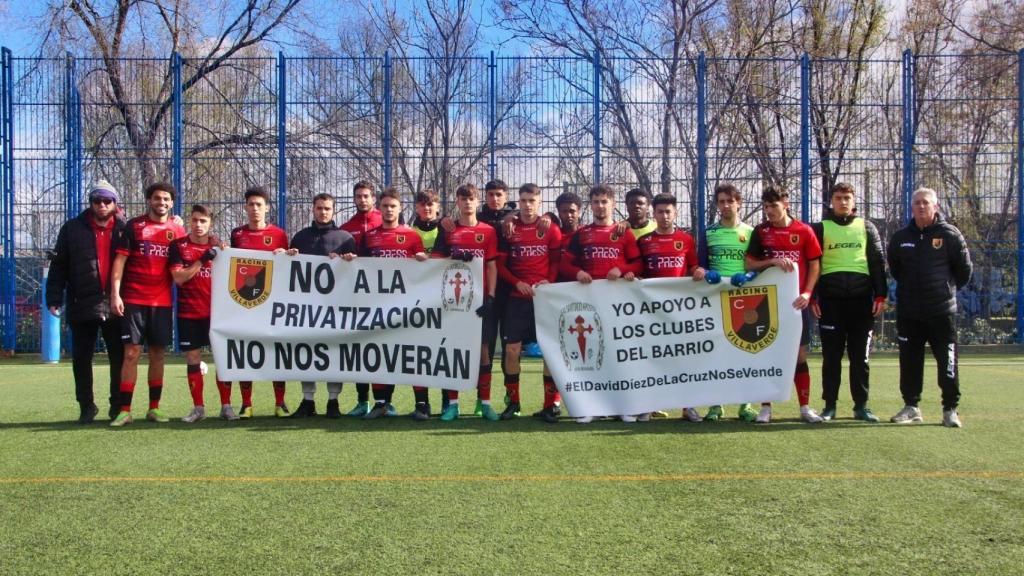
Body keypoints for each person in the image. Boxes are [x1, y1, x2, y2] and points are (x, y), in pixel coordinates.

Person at [339, 187, 428, 419]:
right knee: (379, 353)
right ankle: (381, 403)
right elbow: (362, 268)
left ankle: (422, 405)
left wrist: (424, 261)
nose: (389, 210)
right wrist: (348, 261)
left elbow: (426, 271)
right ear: (380, 208)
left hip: (408, 306)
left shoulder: (412, 236)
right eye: (385, 206)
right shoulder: (370, 237)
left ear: (400, 209)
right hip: (378, 305)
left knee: (412, 353)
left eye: (393, 206)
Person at [887, 187, 972, 427]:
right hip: (909, 312)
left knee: (947, 360)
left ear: (935, 206)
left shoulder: (950, 235)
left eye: (926, 202)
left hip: (941, 311)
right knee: (909, 361)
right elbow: (895, 268)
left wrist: (944, 291)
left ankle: (950, 409)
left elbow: (964, 271)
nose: (921, 206)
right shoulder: (900, 238)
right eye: (917, 203)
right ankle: (912, 406)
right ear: (911, 207)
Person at [47, 180, 127, 423]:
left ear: (115, 203)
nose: (102, 205)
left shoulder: (125, 230)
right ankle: (86, 406)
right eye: (97, 200)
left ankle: (117, 405)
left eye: (107, 201)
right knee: (81, 358)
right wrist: (53, 297)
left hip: (116, 304)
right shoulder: (72, 228)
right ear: (91, 203)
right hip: (82, 301)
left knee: (119, 358)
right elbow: (59, 266)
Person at [108, 182, 186, 426]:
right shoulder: (135, 226)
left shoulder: (178, 230)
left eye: (165, 199)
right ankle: (124, 410)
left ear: (171, 203)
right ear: (149, 200)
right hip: (133, 300)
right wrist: (115, 294)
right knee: (131, 353)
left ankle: (154, 408)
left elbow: (193, 250)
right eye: (156, 198)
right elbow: (120, 261)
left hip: (162, 302)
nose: (161, 202)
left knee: (158, 354)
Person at [744, 184, 824, 424]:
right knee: (767, 354)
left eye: (774, 205)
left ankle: (805, 407)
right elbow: (749, 264)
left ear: (786, 204)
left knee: (799, 356)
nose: (769, 211)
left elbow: (815, 265)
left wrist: (808, 293)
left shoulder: (804, 230)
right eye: (766, 206)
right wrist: (772, 261)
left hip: (796, 304)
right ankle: (766, 407)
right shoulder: (761, 231)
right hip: (766, 304)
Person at [563, 184, 642, 424]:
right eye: (596, 202)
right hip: (589, 304)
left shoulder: (624, 233)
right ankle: (591, 406)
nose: (600, 206)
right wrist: (577, 273)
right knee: (592, 356)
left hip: (617, 304)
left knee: (619, 354)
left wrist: (623, 269)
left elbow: (639, 265)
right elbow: (564, 265)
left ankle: (623, 405)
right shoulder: (582, 234)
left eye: (604, 202)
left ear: (613, 204)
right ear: (591, 205)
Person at [810, 183, 887, 422]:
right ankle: (829, 406)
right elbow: (813, 265)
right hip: (830, 304)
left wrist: (881, 295)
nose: (843, 202)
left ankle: (861, 406)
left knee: (859, 358)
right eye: (838, 198)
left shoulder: (866, 227)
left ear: (854, 201)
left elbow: (876, 263)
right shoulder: (820, 228)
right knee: (831, 357)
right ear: (831, 201)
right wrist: (812, 296)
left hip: (861, 304)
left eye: (847, 198)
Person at [285, 193, 356, 419]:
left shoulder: (345, 238)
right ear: (313, 210)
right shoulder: (301, 237)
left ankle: (333, 401)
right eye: (319, 208)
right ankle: (308, 400)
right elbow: (288, 271)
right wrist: (288, 256)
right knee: (307, 351)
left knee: (334, 351)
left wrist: (348, 260)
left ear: (333, 211)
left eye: (327, 208)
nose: (323, 212)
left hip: (336, 308)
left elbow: (356, 272)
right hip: (307, 308)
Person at [432, 183, 499, 421]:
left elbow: (491, 265)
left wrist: (490, 297)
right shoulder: (448, 229)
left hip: (480, 301)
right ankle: (453, 404)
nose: (467, 203)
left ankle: (485, 403)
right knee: (454, 350)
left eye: (471, 198)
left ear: (477, 200)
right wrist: (453, 256)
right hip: (453, 302)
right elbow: (435, 261)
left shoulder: (488, 231)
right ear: (457, 202)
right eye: (463, 199)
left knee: (483, 352)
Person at [497, 183, 562, 422]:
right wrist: (516, 283)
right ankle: (513, 403)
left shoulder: (550, 229)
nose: (527, 205)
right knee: (512, 350)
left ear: (539, 203)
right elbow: (501, 266)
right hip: (516, 299)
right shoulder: (509, 228)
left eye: (532, 201)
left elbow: (556, 261)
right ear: (519, 201)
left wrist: (549, 281)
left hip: (543, 299)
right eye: (523, 200)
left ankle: (550, 405)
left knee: (549, 352)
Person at [694, 183, 759, 423]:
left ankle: (745, 404)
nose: (725, 206)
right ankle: (716, 405)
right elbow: (699, 264)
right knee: (716, 353)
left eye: (729, 201)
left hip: (745, 299)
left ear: (738, 203)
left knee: (744, 351)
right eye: (721, 202)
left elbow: (757, 265)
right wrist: (705, 272)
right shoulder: (709, 232)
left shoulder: (751, 233)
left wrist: (750, 276)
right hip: (715, 297)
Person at [636, 193, 702, 422]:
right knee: (652, 358)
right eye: (660, 212)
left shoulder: (686, 239)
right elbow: (637, 271)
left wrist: (698, 271)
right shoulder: (644, 242)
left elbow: (693, 267)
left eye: (668, 211)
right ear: (653, 214)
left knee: (684, 358)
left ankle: (688, 406)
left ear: (675, 213)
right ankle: (648, 404)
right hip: (651, 311)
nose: (664, 216)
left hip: (680, 310)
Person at [228, 185, 291, 418]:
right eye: (251, 205)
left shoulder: (279, 235)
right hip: (246, 303)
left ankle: (280, 402)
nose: (255, 209)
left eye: (259, 205)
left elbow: (288, 268)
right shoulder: (237, 234)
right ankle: (246, 404)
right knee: (246, 352)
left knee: (277, 352)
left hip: (274, 305)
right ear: (246, 207)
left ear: (267, 208)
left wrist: (287, 256)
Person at [168, 205, 220, 422]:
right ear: (190, 221)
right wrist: (202, 260)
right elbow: (179, 278)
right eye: (195, 220)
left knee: (222, 359)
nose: (199, 225)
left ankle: (226, 406)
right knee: (193, 358)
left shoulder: (219, 246)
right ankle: (198, 408)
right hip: (189, 312)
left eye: (203, 221)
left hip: (217, 314)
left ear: (210, 224)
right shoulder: (179, 246)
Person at [339, 180, 382, 416]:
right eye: (358, 196)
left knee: (382, 347)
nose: (362, 199)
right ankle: (362, 400)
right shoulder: (346, 228)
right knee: (359, 348)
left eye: (366, 196)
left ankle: (384, 401)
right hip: (356, 296)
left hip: (384, 296)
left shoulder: (385, 221)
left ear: (373, 198)